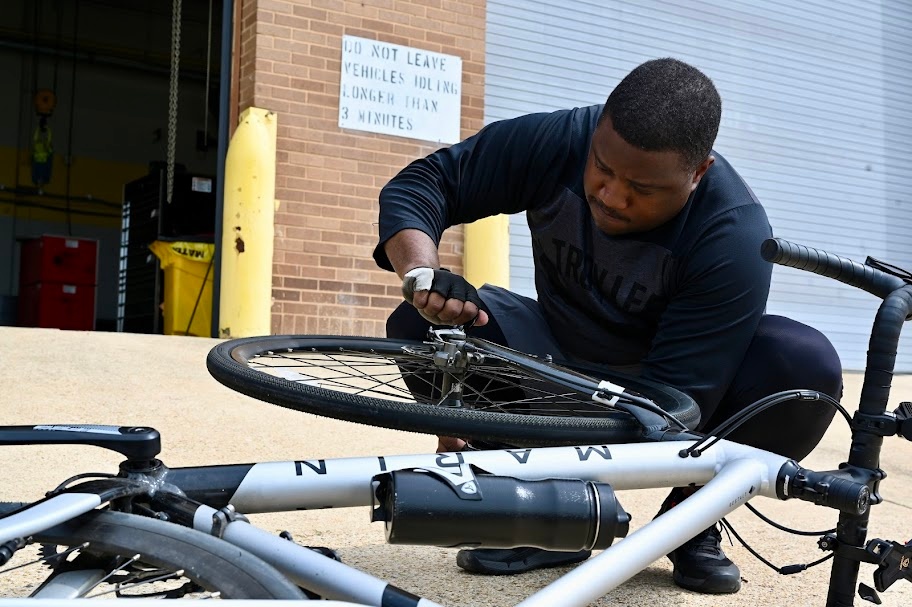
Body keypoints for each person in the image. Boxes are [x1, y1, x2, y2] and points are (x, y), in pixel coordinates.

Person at [372, 58, 842, 595]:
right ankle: (543, 514)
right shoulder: (558, 139)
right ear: (596, 131)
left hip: (661, 383)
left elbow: (672, 410)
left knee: (804, 368)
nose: (613, 196)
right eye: (602, 168)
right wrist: (422, 273)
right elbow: (426, 182)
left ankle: (691, 522)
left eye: (643, 188)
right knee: (420, 326)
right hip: (554, 349)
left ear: (698, 173)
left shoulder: (732, 233)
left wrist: (590, 483)